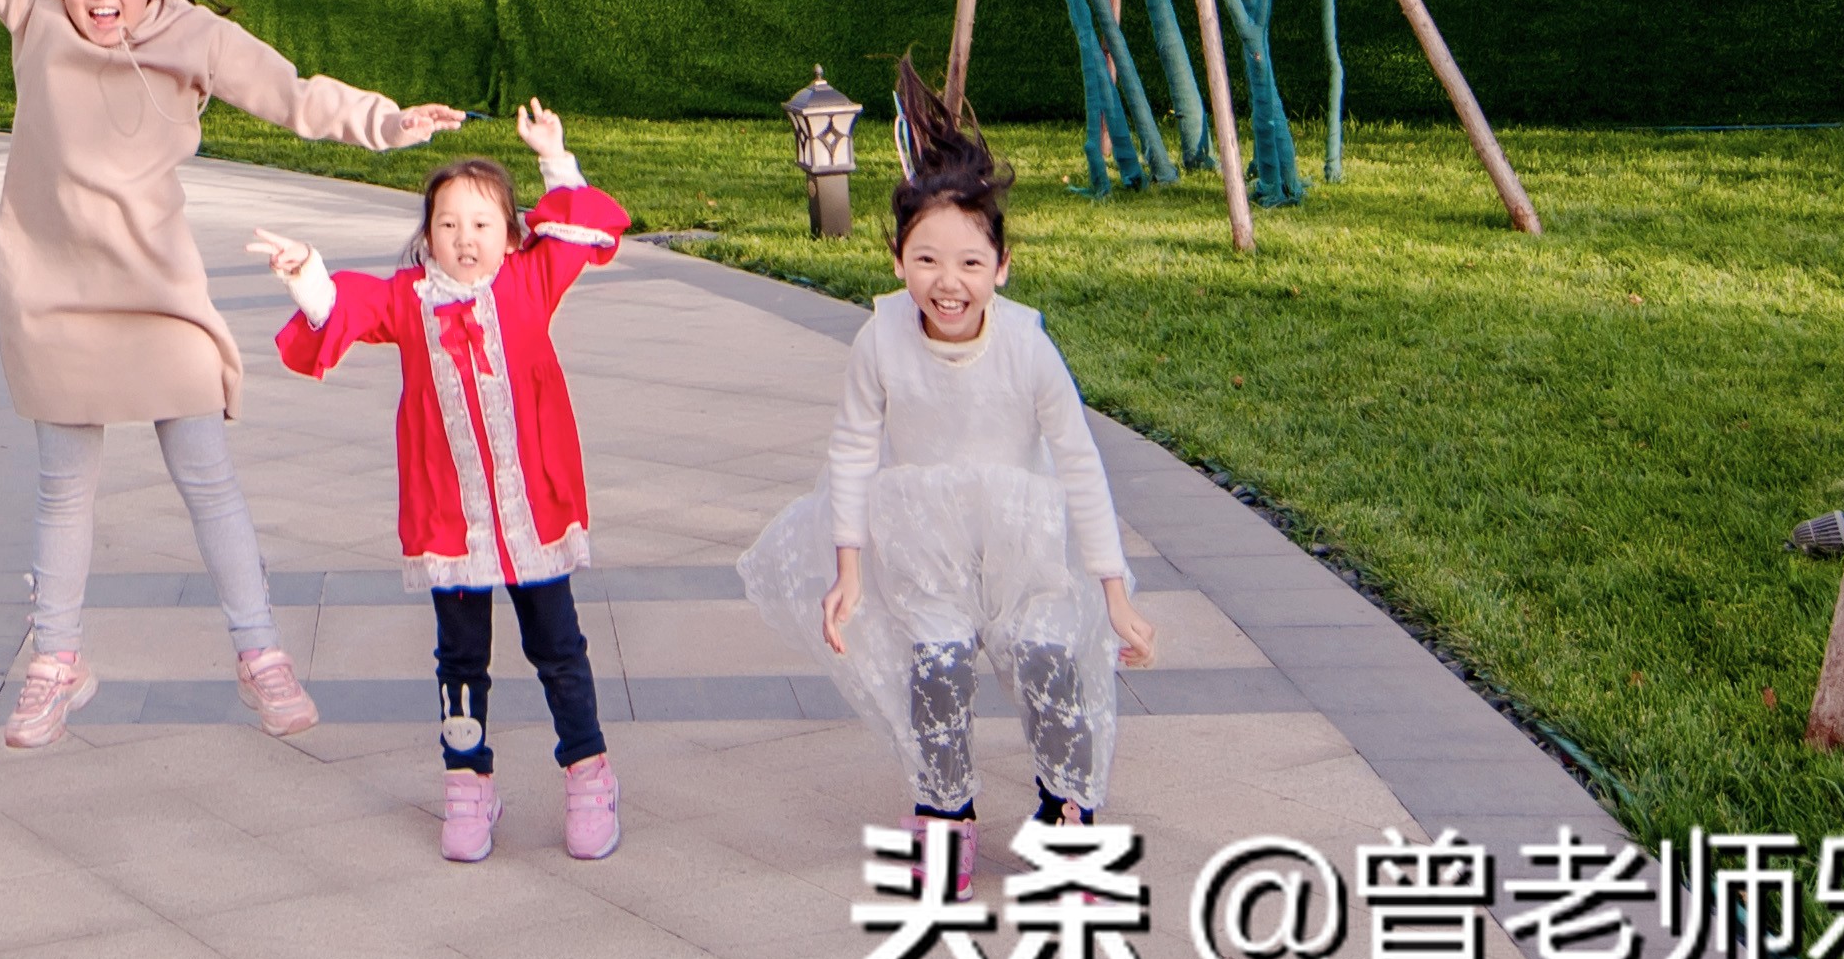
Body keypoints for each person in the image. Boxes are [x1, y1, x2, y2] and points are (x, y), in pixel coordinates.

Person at [0, 0, 460, 750]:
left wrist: (382, 120)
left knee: (205, 472)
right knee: (63, 482)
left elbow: (286, 90)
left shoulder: (190, 35)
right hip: (53, 293)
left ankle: (259, 652)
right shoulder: (30, 9)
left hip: (156, 291)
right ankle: (55, 664)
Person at [738, 144, 1161, 866]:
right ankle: (946, 810)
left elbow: (1079, 462)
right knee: (938, 667)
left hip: (1021, 544)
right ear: (899, 262)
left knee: (1045, 661)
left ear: (1001, 268)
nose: (948, 282)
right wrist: (848, 569)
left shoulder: (1028, 349)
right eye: (926, 259)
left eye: (970, 263)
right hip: (923, 541)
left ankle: (1067, 812)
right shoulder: (881, 340)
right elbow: (851, 450)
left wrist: (1112, 589)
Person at [251, 101, 633, 862]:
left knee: (557, 644)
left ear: (510, 234)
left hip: (534, 509)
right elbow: (343, 308)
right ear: (428, 234)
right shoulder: (408, 301)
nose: (466, 239)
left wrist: (555, 158)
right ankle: (467, 780)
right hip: (450, 517)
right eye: (450, 225)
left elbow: (583, 232)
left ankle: (588, 772)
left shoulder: (530, 282)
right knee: (461, 656)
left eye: (484, 224)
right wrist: (306, 275)